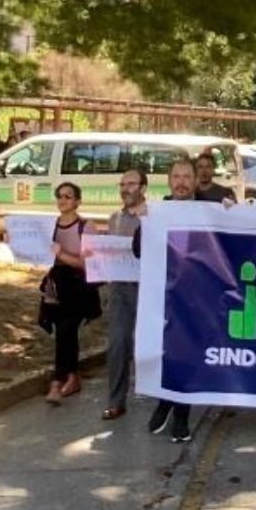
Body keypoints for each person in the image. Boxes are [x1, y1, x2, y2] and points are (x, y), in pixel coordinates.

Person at [135, 159, 204, 443]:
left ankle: (181, 417)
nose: (181, 182)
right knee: (163, 353)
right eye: (176, 176)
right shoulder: (156, 211)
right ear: (169, 181)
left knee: (185, 355)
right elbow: (139, 250)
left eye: (187, 176)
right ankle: (164, 400)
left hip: (196, 297)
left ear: (196, 180)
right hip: (161, 295)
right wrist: (143, 222)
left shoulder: (208, 211)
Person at [40, 182, 101, 405]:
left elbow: (88, 264)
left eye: (68, 196)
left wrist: (61, 254)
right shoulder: (50, 226)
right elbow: (38, 253)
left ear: (77, 201)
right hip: (57, 287)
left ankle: (57, 381)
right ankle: (73, 377)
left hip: (79, 288)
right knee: (64, 331)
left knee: (66, 328)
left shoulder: (86, 226)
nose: (63, 200)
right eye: (60, 196)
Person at [102, 169, 148, 421]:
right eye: (122, 184)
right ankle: (116, 400)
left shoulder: (152, 215)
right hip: (120, 288)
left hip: (147, 287)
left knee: (152, 344)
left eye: (131, 184)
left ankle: (167, 396)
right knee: (118, 342)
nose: (125, 188)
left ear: (143, 188)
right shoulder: (114, 219)